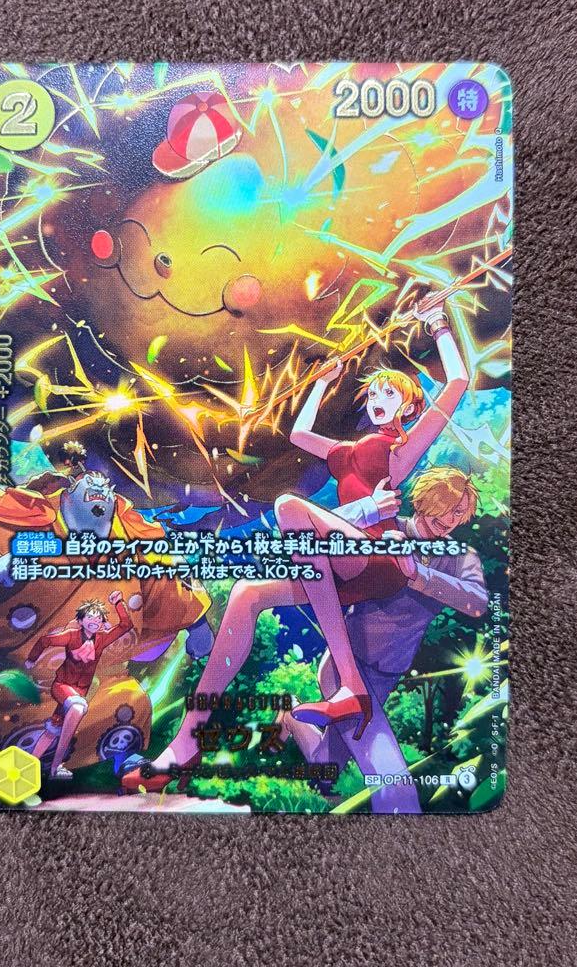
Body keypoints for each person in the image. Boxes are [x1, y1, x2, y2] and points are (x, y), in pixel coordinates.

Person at [122, 295, 468, 792]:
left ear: (409, 407)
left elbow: (457, 383)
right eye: (374, 392)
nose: (378, 398)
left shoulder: (399, 449)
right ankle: (186, 743)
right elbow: (301, 433)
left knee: (289, 507)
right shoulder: (347, 452)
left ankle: (350, 683)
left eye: (391, 394)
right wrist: (322, 383)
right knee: (246, 594)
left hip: (379, 560)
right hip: (341, 563)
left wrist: (437, 323)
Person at [282, 467, 488, 814]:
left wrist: (418, 574)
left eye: (458, 512)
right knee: (393, 782)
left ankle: (289, 716)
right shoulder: (388, 526)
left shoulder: (460, 556)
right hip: (347, 667)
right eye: (446, 507)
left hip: (387, 674)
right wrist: (370, 507)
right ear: (426, 499)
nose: (450, 519)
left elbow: (477, 601)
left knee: (326, 766)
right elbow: (310, 528)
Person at [23, 590, 140, 779]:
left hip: (80, 690)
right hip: (62, 686)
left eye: (98, 618)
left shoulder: (101, 639)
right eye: (90, 617)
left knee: (54, 729)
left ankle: (29, 766)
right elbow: (45, 641)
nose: (95, 621)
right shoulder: (71, 636)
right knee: (77, 708)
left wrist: (118, 602)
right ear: (81, 621)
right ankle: (55, 767)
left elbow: (126, 625)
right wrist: (31, 659)